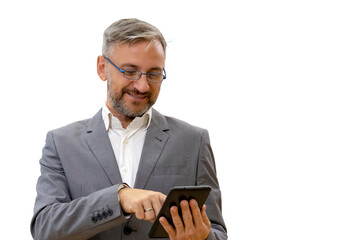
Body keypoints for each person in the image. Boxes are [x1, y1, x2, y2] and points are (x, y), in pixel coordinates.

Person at [31, 18, 227, 240]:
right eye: (130, 71)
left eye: (154, 74)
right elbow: (45, 228)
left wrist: (202, 238)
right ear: (102, 68)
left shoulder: (194, 141)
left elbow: (217, 232)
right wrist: (120, 198)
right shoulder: (61, 143)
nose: (142, 86)